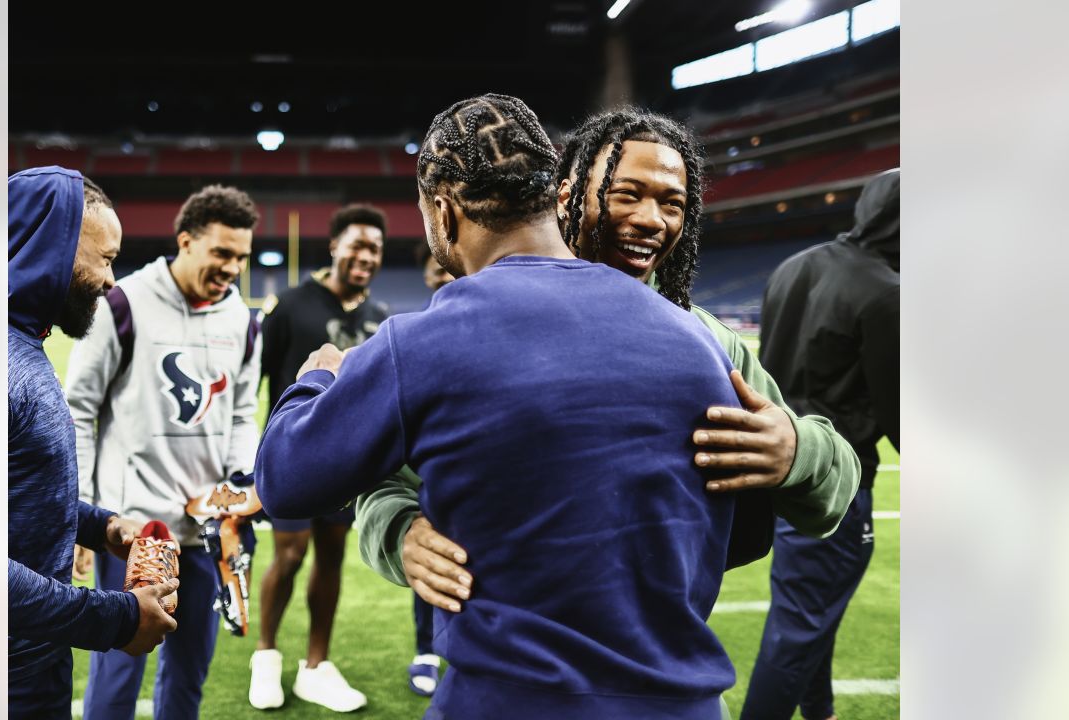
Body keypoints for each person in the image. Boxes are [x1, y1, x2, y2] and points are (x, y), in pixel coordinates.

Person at [256, 93, 744, 720]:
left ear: (444, 211)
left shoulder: (423, 341)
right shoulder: (700, 341)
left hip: (508, 700)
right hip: (684, 705)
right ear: (554, 196)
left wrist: (315, 382)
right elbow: (746, 532)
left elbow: (285, 481)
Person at [356, 108, 860, 615]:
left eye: (672, 203)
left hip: (657, 664)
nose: (650, 219)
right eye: (626, 193)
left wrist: (797, 450)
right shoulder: (481, 324)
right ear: (564, 196)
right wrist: (402, 532)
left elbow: (831, 493)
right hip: (507, 656)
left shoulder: (706, 341)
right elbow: (382, 472)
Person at [64, 184, 263, 720]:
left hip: (205, 530)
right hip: (135, 533)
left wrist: (239, 485)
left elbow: (242, 414)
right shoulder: (123, 302)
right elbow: (78, 409)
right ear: (185, 241)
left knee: (189, 673)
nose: (232, 268)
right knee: (117, 671)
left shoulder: (244, 322)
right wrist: (81, 513)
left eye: (240, 256)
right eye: (222, 253)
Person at [8, 166, 179, 719]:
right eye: (104, 259)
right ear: (52, 247)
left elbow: (15, 487)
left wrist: (99, 525)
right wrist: (116, 619)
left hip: (33, 659)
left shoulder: (22, 345)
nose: (111, 280)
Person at [740, 169, 900, 720]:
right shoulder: (886, 291)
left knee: (807, 613)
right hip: (835, 472)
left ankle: (820, 709)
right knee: (801, 623)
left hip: (781, 467)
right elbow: (900, 407)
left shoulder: (794, 266)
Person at [248, 203, 389, 712]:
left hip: (345, 460)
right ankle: (265, 657)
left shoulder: (379, 320)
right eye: (356, 244)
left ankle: (316, 664)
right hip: (291, 456)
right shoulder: (289, 305)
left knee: (331, 557)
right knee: (288, 556)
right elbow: (256, 380)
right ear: (334, 246)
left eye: (374, 248)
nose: (365, 256)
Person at [406, 245, 453, 697]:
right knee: (429, 562)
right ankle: (425, 649)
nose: (443, 276)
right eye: (435, 271)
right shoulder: (413, 335)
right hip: (429, 479)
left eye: (447, 269)